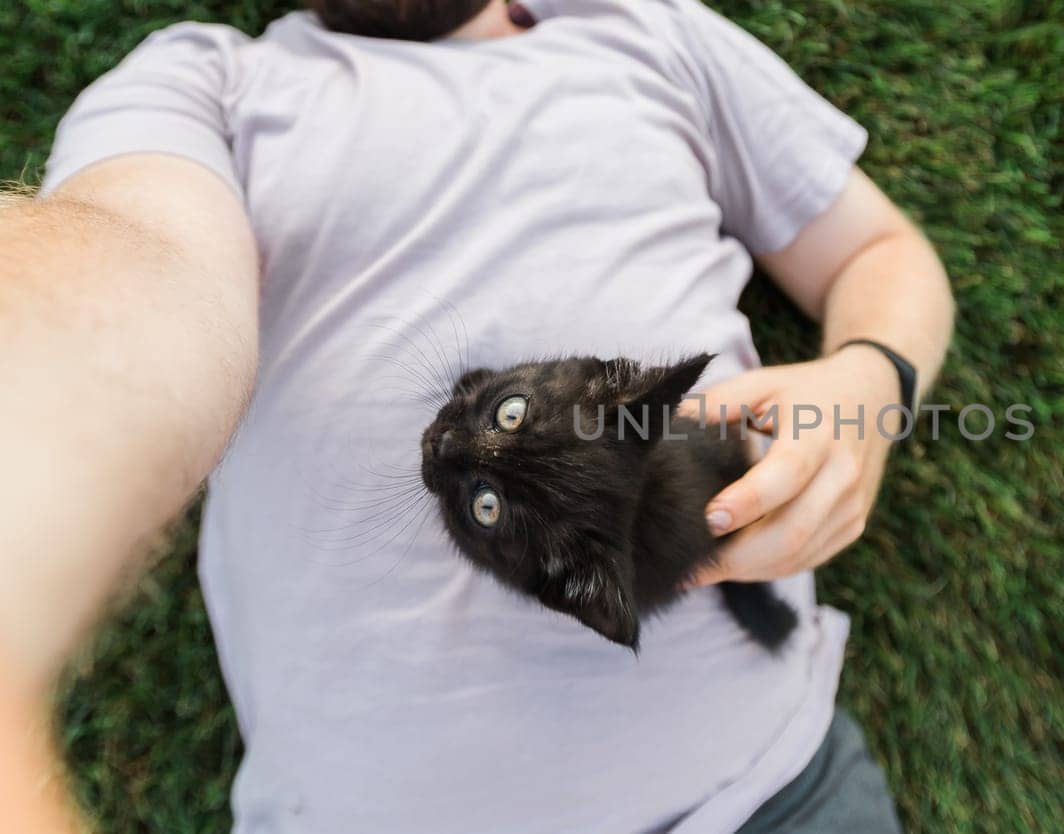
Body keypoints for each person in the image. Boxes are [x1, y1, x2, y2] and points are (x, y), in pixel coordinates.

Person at [0, 0, 954, 831]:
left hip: (769, 795)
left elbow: (878, 250)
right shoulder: (205, 81)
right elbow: (139, 268)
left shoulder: (651, 32)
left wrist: (874, 381)